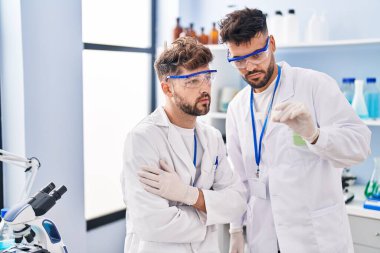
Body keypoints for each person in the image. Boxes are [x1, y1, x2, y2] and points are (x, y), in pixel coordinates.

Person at [218, 8, 372, 253]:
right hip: (263, 236)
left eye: (257, 55)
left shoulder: (314, 84)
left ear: (272, 44)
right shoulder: (238, 106)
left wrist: (315, 135)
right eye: (239, 60)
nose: (249, 67)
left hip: (314, 237)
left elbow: (360, 146)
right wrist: (236, 230)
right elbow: (239, 177)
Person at [120, 36, 246, 253]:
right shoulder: (143, 139)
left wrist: (188, 195)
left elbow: (236, 203)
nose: (205, 88)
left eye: (207, 77)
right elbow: (153, 224)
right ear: (167, 88)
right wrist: (210, 216)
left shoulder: (212, 136)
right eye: (193, 81)